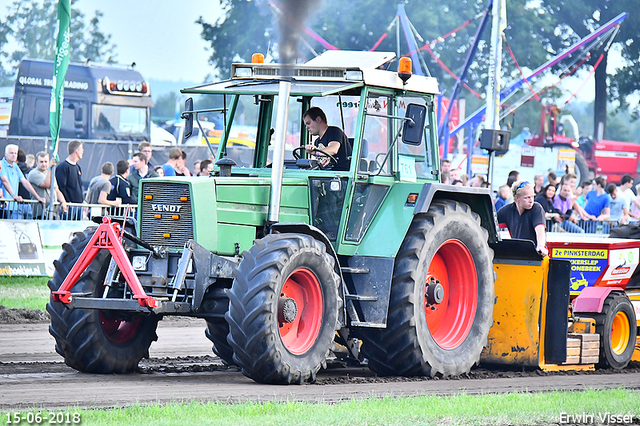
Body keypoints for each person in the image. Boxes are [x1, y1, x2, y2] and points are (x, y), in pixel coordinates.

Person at [496, 180, 548, 256]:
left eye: (532, 197)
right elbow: (491, 223)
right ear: (517, 198)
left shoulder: (536, 208)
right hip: (517, 254)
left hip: (536, 255)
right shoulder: (507, 210)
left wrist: (541, 246)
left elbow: (540, 228)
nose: (531, 201)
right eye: (527, 198)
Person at [0, 144, 46, 218]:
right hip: (3, 206)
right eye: (11, 153)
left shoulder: (15, 166)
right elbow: (4, 180)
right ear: (6, 154)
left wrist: (38, 197)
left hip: (13, 206)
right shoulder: (1, 164)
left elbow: (25, 182)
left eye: (15, 153)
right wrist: (14, 196)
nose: (14, 155)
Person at [303, 106, 351, 171]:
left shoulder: (334, 132)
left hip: (340, 175)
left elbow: (333, 149)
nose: (306, 127)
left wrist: (316, 152)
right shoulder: (317, 142)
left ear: (318, 119)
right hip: (325, 175)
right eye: (306, 125)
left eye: (308, 123)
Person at [27, 152, 68, 219]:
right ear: (36, 162)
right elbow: (47, 184)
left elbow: (56, 190)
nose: (44, 164)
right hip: (40, 212)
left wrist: (63, 202)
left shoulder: (49, 173)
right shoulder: (33, 174)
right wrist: (49, 168)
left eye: (46, 162)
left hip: (53, 212)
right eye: (41, 162)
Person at [55, 140, 84, 219]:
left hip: (78, 206)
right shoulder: (63, 167)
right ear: (77, 151)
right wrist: (66, 201)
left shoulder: (78, 167)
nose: (83, 151)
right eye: (81, 149)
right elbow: (61, 186)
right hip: (69, 206)